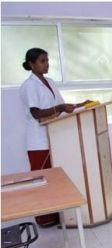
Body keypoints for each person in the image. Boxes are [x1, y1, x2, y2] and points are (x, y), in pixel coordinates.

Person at [19, 47, 88, 227]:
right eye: (42, 61)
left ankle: (57, 215)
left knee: (56, 180)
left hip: (54, 138)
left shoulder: (49, 82)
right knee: (42, 181)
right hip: (38, 141)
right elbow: (36, 113)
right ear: (31, 64)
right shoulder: (29, 86)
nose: (46, 64)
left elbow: (61, 106)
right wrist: (60, 108)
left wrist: (82, 104)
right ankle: (43, 218)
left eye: (47, 60)